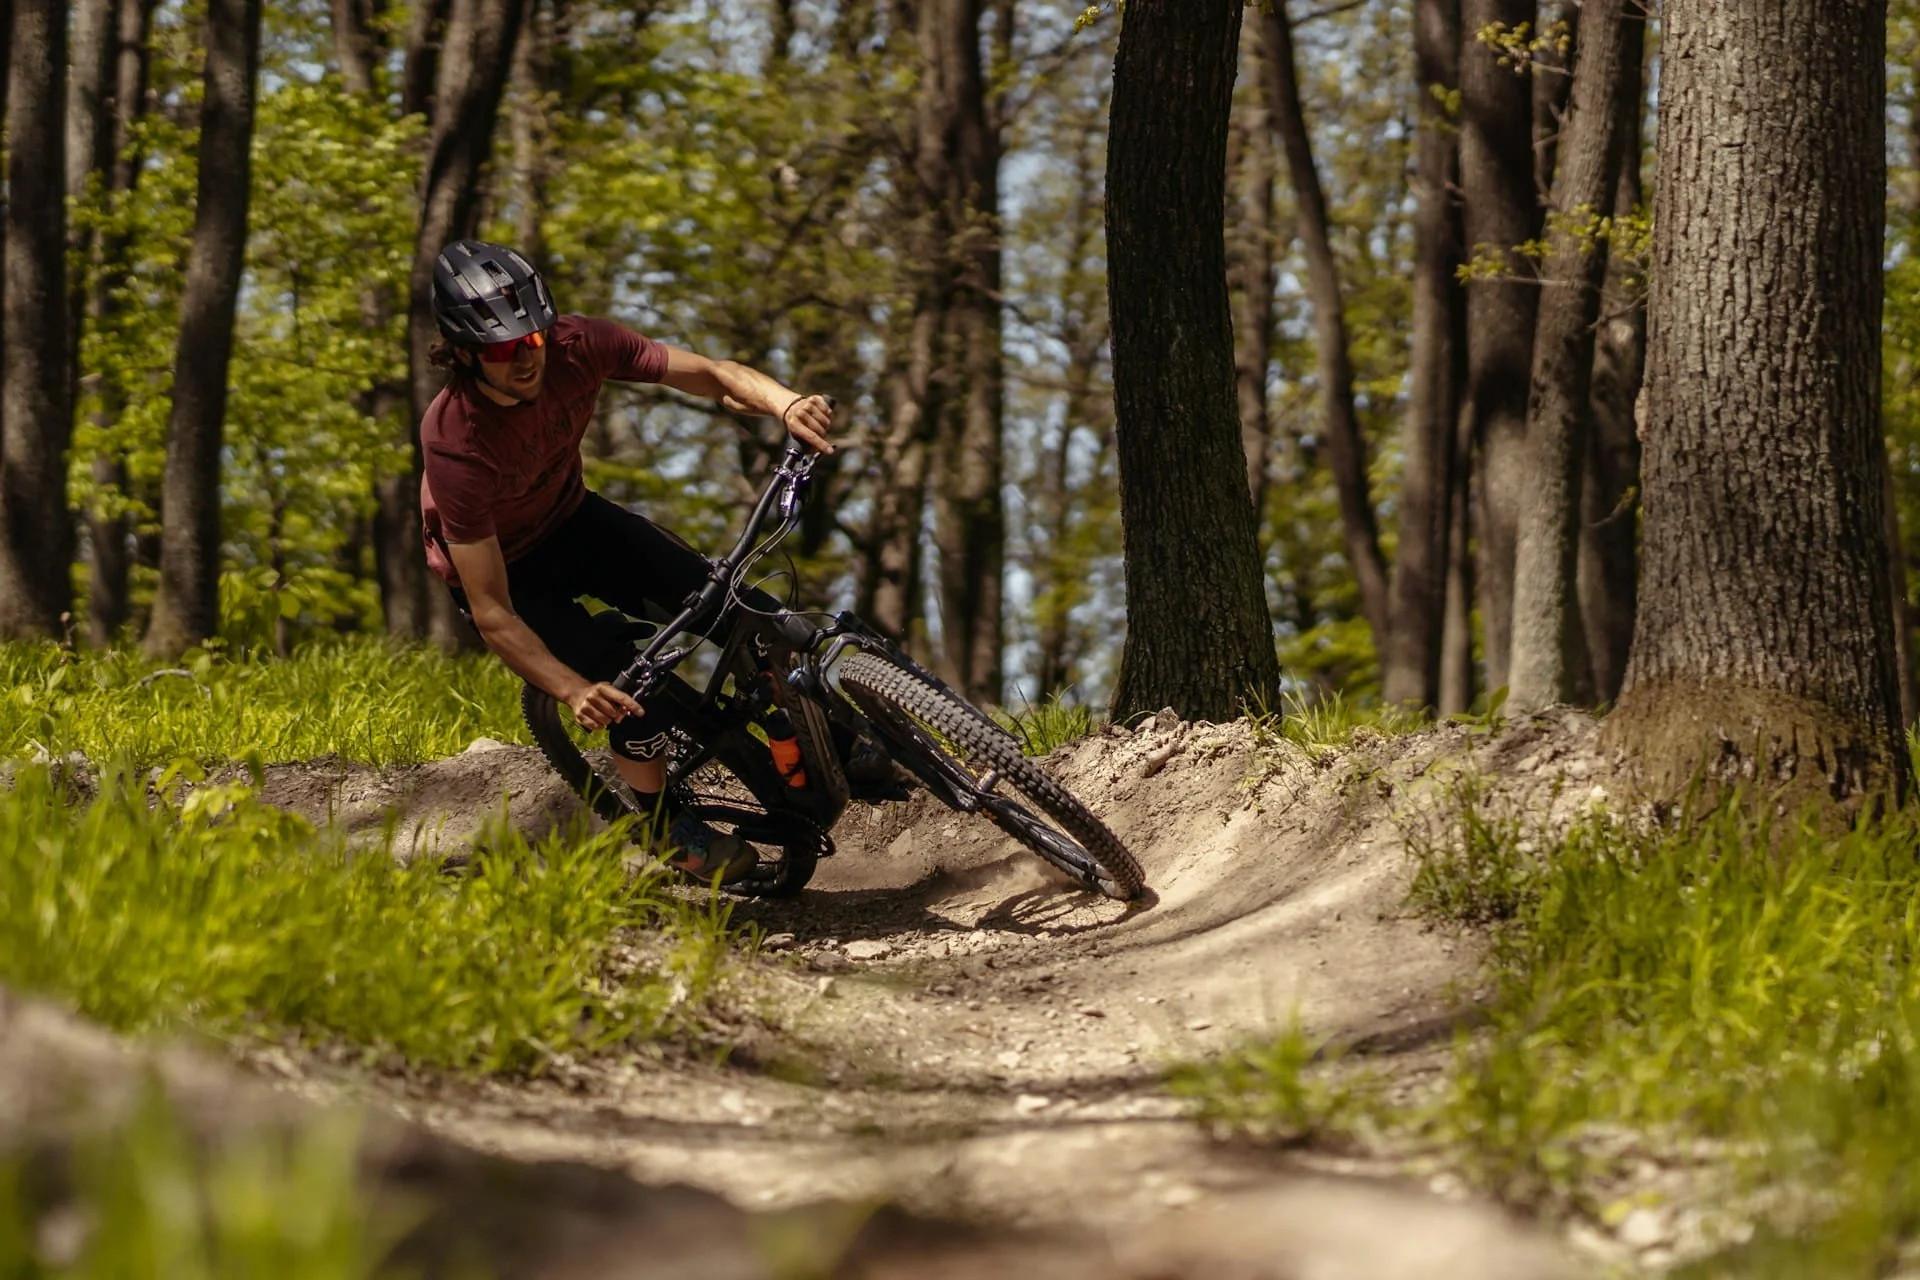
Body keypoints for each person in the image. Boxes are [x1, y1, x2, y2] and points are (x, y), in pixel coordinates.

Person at [419, 238, 836, 883]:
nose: (526, 358)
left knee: (743, 609)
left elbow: (713, 373)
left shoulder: (576, 346)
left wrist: (784, 402)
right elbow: (492, 611)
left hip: (574, 520)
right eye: (503, 349)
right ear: (466, 354)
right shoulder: (456, 441)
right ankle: (666, 821)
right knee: (636, 697)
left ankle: (819, 737)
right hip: (511, 573)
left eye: (531, 340)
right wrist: (572, 690)